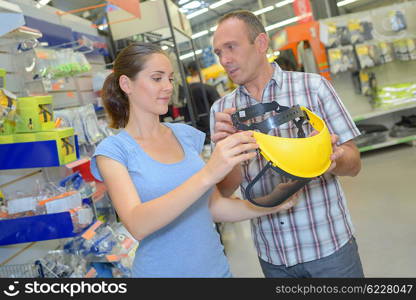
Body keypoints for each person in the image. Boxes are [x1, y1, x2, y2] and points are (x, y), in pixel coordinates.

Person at [90, 42, 298, 278]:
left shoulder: (184, 135)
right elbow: (138, 224)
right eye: (157, 78)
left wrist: (271, 203)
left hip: (218, 271)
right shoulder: (113, 151)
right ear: (127, 84)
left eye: (170, 78)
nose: (168, 87)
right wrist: (208, 174)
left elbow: (214, 207)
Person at [210, 10, 364, 278]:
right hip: (273, 256)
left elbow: (354, 164)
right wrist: (228, 153)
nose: (224, 60)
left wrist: (331, 156)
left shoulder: (314, 88)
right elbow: (224, 190)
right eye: (218, 52)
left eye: (231, 47)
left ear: (260, 43)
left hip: (329, 249)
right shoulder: (222, 111)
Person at [186, 60, 221, 143]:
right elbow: (221, 109)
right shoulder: (208, 89)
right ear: (201, 70)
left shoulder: (185, 92)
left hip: (196, 134)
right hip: (213, 132)